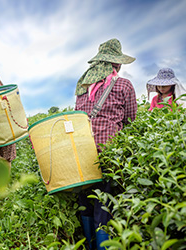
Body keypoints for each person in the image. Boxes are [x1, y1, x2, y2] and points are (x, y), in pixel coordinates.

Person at [74, 38, 137, 249]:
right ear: (116, 65)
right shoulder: (123, 85)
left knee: (85, 203)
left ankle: (90, 246)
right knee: (103, 204)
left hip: (81, 152)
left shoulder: (83, 88)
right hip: (107, 153)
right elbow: (130, 121)